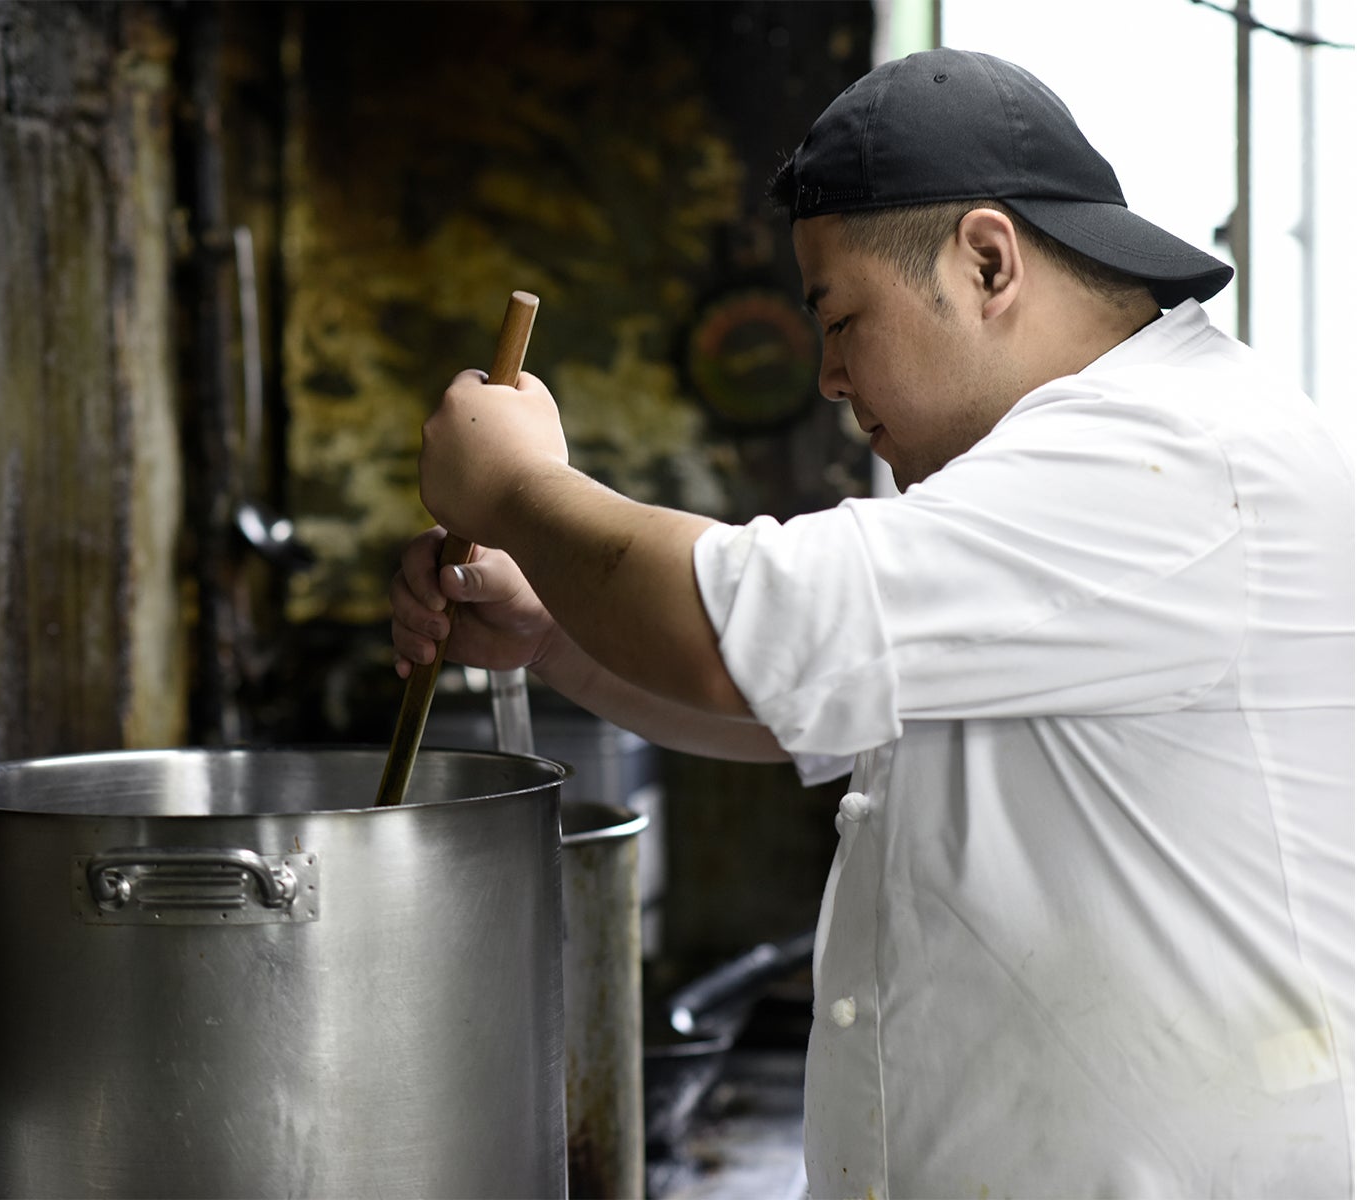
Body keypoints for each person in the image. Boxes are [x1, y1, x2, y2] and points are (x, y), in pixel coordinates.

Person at [390, 47, 1354, 1199]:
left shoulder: (1169, 452)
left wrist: (516, 487)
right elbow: (801, 704)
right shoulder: (1076, 470)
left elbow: (752, 630)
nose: (831, 377)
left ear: (988, 262)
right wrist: (552, 635)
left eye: (842, 318)